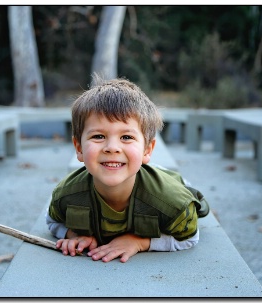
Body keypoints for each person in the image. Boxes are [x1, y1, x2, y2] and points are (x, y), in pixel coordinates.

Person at [46, 74, 209, 263]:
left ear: (148, 149)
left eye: (126, 137)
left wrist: (140, 242)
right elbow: (52, 221)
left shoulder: (172, 204)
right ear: (79, 148)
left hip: (167, 184)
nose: (112, 147)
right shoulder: (66, 194)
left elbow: (190, 237)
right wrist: (72, 234)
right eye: (98, 136)